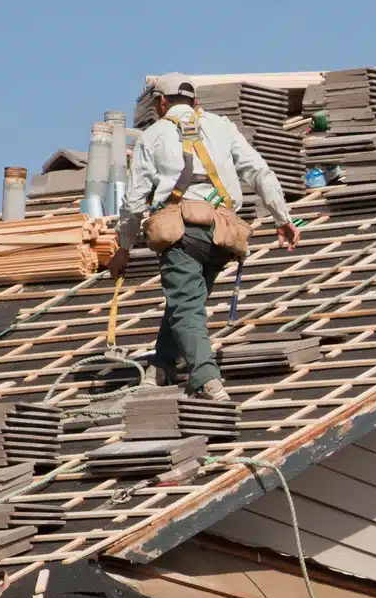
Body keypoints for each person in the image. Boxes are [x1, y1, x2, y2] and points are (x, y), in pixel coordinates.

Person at [109, 73, 301, 401]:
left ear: (160, 104)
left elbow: (133, 201)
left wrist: (123, 247)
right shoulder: (222, 126)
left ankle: (206, 380)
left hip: (181, 230)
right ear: (195, 101)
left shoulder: (151, 136)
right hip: (224, 233)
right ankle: (162, 365)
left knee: (185, 304)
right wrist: (281, 218)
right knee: (188, 299)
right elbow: (259, 171)